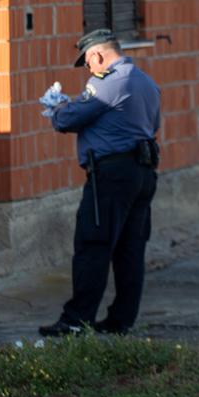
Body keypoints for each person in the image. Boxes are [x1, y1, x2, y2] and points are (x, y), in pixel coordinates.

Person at [37, 28, 161, 337]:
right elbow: (152, 124)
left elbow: (68, 120)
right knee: (130, 250)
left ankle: (76, 321)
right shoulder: (146, 82)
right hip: (142, 172)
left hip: (112, 176)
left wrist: (57, 107)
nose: (89, 71)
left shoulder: (109, 81)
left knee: (93, 245)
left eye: (88, 64)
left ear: (97, 55)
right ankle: (121, 320)